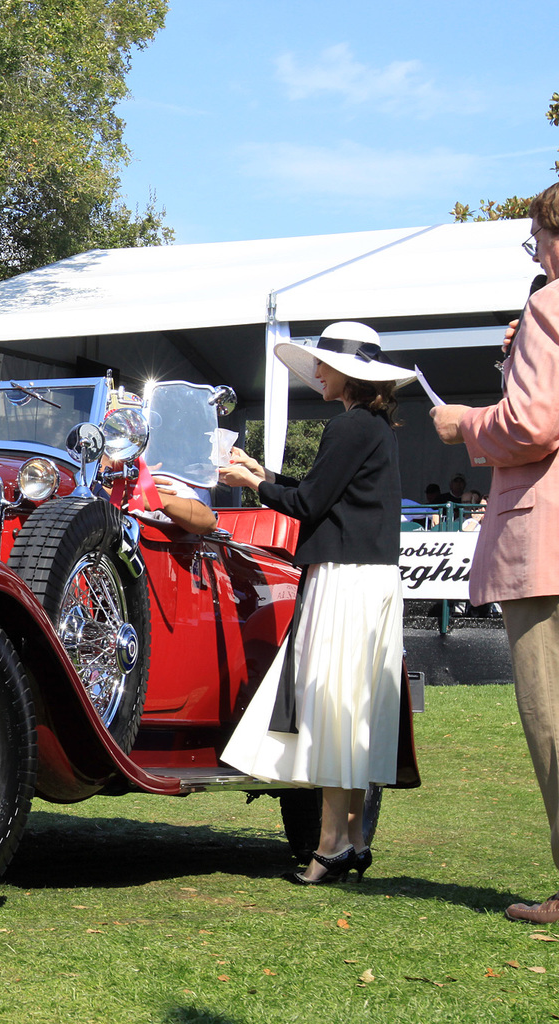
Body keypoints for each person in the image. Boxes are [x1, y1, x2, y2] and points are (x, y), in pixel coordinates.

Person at [218, 321, 413, 885]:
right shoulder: (372, 427)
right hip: (369, 579)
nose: (318, 373)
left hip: (345, 581)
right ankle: (349, 838)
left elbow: (307, 503)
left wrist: (252, 485)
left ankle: (330, 844)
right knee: (354, 708)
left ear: (347, 373)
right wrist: (265, 474)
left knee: (333, 704)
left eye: (324, 365)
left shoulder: (349, 426)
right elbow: (329, 492)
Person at [432, 184, 559, 923]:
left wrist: (465, 424)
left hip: (544, 542)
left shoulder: (548, 305)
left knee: (551, 719)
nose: (536, 254)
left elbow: (533, 426)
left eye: (536, 239)